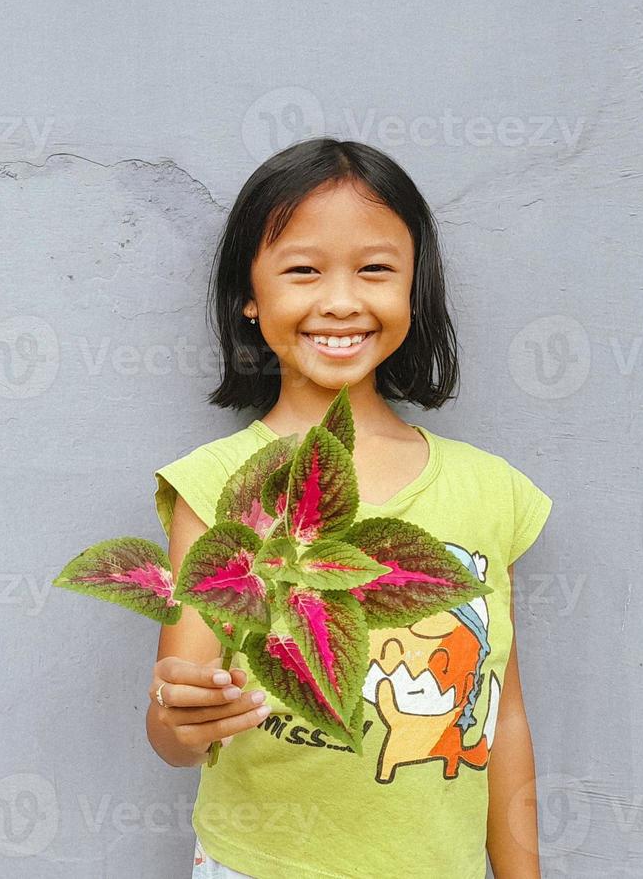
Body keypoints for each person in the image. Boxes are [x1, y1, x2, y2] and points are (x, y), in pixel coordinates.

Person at [147, 138, 553, 878]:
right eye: (302, 270)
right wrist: (182, 717)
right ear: (249, 294)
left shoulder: (489, 490)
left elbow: (501, 713)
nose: (339, 300)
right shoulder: (215, 486)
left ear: (413, 289)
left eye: (374, 269)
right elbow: (176, 730)